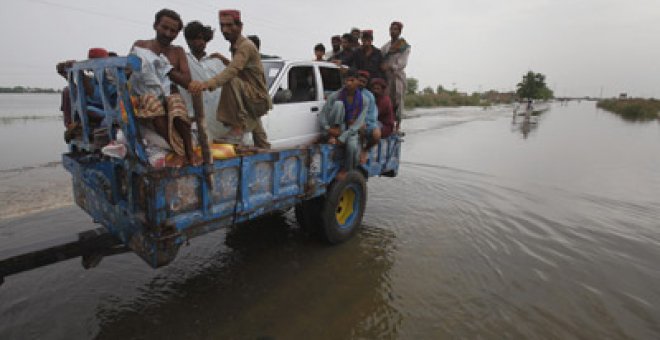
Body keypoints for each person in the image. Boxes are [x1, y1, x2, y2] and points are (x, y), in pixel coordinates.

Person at [188, 9, 272, 148]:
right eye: (222, 26)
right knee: (259, 135)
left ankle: (237, 128)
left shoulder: (245, 46)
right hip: (251, 97)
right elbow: (239, 67)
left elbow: (233, 70)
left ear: (240, 27)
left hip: (256, 97)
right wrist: (223, 59)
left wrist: (207, 84)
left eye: (229, 25)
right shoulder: (236, 46)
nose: (225, 30)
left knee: (230, 80)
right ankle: (265, 151)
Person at [129, 8, 197, 164]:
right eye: (164, 28)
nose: (168, 33)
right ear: (155, 25)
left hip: (169, 96)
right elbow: (129, 71)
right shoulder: (140, 45)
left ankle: (189, 152)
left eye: (173, 31)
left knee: (176, 103)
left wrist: (164, 67)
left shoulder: (177, 51)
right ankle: (177, 150)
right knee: (152, 102)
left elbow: (187, 81)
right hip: (145, 97)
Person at [177, 20, 227, 142]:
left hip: (218, 122)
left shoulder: (216, 62)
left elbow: (233, 78)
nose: (200, 42)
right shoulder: (183, 61)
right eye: (196, 38)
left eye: (202, 39)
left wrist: (224, 60)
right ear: (188, 40)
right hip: (193, 123)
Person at [319, 69, 371, 173]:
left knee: (352, 148)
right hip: (335, 127)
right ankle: (333, 135)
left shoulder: (364, 100)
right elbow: (323, 115)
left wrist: (343, 136)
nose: (348, 83)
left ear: (357, 81)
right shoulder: (335, 95)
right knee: (339, 105)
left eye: (352, 80)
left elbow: (358, 123)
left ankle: (346, 170)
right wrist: (328, 129)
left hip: (350, 130)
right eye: (346, 81)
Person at [381, 21, 411, 131]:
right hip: (387, 77)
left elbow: (402, 63)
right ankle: (388, 124)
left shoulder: (404, 46)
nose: (393, 31)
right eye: (391, 29)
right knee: (388, 100)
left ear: (400, 31)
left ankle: (397, 125)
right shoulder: (386, 46)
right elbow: (381, 56)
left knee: (398, 100)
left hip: (398, 77)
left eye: (395, 29)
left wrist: (389, 66)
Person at [356, 70, 379, 164]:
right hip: (352, 122)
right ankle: (360, 150)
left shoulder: (369, 96)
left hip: (367, 122)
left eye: (364, 82)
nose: (361, 83)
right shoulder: (350, 91)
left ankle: (365, 150)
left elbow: (372, 113)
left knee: (377, 134)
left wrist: (367, 122)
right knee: (361, 128)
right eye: (360, 80)